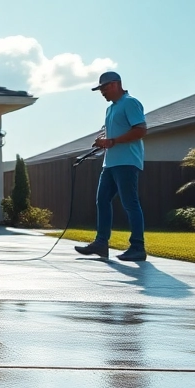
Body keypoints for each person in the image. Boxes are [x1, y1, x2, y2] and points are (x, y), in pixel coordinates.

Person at [75, 71, 148, 261]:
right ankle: (101, 243)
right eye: (100, 89)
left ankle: (138, 247)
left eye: (104, 88)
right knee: (102, 200)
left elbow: (140, 130)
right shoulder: (111, 109)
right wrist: (103, 141)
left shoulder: (130, 103)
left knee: (130, 203)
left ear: (115, 84)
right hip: (111, 163)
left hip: (127, 162)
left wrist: (112, 141)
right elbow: (111, 137)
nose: (102, 92)